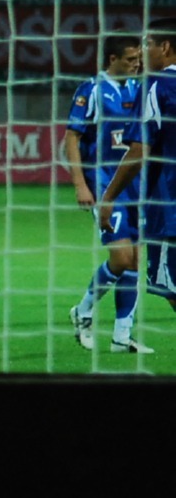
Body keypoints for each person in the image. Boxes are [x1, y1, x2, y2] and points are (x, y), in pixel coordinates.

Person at [65, 35, 147, 354]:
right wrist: (80, 184)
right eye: (130, 59)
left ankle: (121, 336)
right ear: (112, 59)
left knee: (135, 259)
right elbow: (72, 137)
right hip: (102, 183)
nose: (136, 64)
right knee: (121, 257)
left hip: (134, 185)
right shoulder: (92, 90)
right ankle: (83, 311)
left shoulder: (138, 89)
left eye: (138, 58)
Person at [100, 30, 176, 338]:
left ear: (165, 47)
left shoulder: (157, 85)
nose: (143, 53)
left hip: (169, 207)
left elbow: (139, 150)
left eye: (148, 45)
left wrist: (108, 197)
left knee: (171, 287)